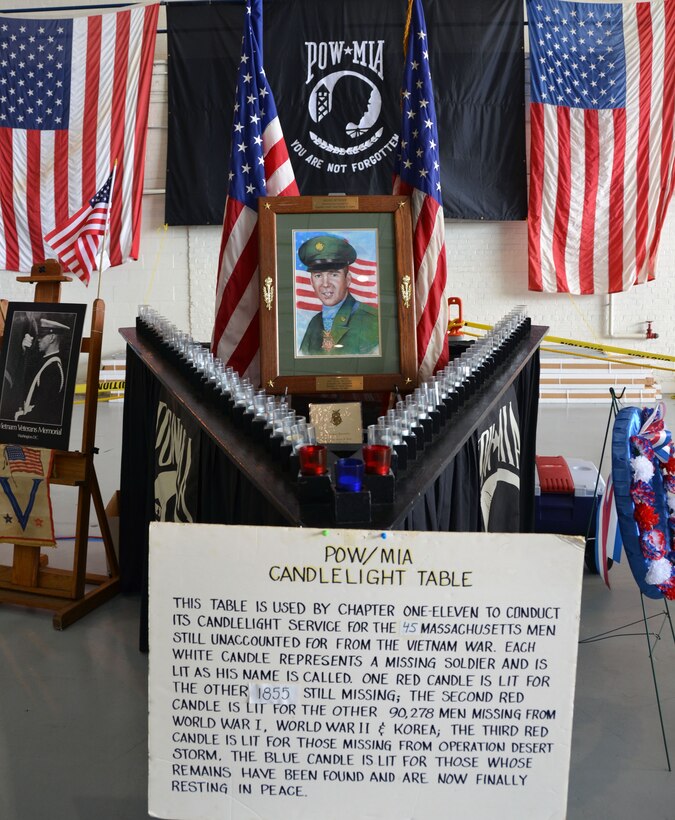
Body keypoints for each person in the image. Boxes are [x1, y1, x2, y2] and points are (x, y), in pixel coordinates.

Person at [298, 234, 379, 355]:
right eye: (318, 275)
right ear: (311, 282)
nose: (325, 284)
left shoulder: (371, 321)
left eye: (333, 274)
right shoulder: (314, 324)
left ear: (348, 279)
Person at [14, 316, 70, 425]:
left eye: (42, 336)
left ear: (52, 338)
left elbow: (41, 412)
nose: (38, 339)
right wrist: (25, 352)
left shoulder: (53, 368)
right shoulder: (45, 362)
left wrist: (19, 419)